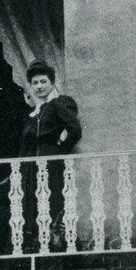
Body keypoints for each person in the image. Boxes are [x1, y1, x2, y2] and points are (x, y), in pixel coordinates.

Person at [19, 60, 82, 252]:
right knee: (32, 206)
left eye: (43, 82)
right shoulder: (32, 115)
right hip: (31, 168)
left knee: (53, 202)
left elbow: (75, 130)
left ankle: (58, 248)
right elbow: (25, 146)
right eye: (35, 83)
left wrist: (60, 147)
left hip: (53, 164)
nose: (39, 86)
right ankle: (35, 248)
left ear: (52, 83)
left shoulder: (59, 104)